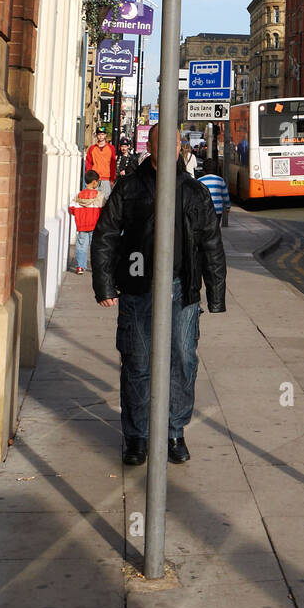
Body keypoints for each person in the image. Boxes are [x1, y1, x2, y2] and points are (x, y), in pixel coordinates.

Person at [91, 123, 226, 467]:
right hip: (137, 289)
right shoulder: (129, 186)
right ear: (149, 147)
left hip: (182, 290)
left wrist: (216, 294)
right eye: (160, 143)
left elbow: (211, 242)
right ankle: (136, 436)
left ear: (181, 147)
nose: (169, 149)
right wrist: (105, 285)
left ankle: (173, 431)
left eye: (174, 144)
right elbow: (105, 234)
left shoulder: (194, 192)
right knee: (138, 363)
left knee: (182, 360)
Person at [69, 170, 104, 274]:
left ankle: (80, 266)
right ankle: (96, 267)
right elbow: (103, 209)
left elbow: (72, 208)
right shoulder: (99, 196)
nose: (98, 183)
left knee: (81, 246)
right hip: (94, 225)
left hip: (82, 226)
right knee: (96, 247)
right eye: (97, 181)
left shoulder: (79, 196)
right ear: (94, 182)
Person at [197, 157, 231, 228]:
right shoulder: (220, 180)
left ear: (204, 170)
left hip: (204, 210)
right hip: (217, 210)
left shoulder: (199, 181)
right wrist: (228, 207)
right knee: (215, 229)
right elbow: (226, 196)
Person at [85, 129, 116, 200]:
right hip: (94, 178)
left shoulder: (111, 148)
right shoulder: (92, 148)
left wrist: (112, 179)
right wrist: (88, 178)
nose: (101, 136)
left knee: (105, 200)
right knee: (93, 199)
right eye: (99, 134)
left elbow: (113, 164)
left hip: (106, 178)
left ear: (105, 135)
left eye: (102, 134)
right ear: (96, 136)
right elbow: (88, 163)